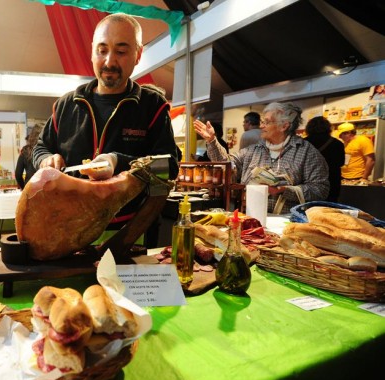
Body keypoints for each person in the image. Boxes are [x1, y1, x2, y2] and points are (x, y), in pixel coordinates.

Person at [32, 13, 180, 248]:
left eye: (121, 52)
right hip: (69, 227)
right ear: (92, 51)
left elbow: (169, 166)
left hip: (131, 232)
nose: (110, 61)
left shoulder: (152, 106)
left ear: (138, 55)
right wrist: (45, 160)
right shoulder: (66, 105)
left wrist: (117, 162)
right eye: (102, 50)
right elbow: (40, 148)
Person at [194, 102, 329, 214]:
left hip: (287, 224)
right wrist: (212, 141)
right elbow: (226, 164)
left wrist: (284, 190)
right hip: (249, 219)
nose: (261, 126)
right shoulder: (254, 150)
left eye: (267, 122)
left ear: (284, 126)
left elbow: (320, 190)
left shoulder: (307, 153)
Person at [305, 116, 345, 201]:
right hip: (332, 181)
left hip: (308, 182)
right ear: (328, 128)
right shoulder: (337, 144)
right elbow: (341, 162)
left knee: (307, 209)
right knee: (329, 208)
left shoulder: (303, 143)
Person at [15, 123, 42, 189]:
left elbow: (18, 174)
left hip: (30, 186)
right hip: (46, 187)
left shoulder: (25, 151)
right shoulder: (47, 149)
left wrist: (24, 187)